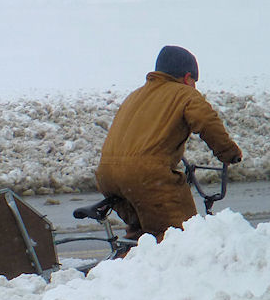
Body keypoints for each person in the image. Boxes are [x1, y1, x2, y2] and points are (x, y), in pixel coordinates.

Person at [95, 45, 242, 240]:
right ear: (187, 77)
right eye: (194, 81)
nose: (194, 86)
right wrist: (229, 152)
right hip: (146, 177)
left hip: (108, 176)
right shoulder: (184, 93)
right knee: (181, 235)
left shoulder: (135, 96)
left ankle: (121, 267)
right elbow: (206, 121)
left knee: (140, 237)